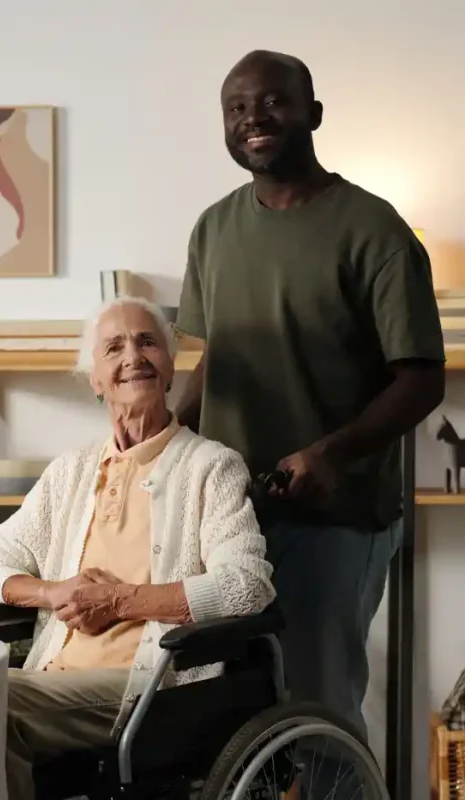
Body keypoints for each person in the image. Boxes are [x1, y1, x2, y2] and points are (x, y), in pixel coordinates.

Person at [175, 49, 446, 791]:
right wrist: (164, 444)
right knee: (229, 715)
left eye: (272, 103)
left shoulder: (374, 228)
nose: (253, 119)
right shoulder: (213, 229)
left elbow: (422, 379)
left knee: (318, 715)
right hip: (229, 517)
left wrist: (332, 452)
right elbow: (213, 360)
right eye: (236, 107)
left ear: (314, 115)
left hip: (338, 518)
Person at [0, 296, 276, 800]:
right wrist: (54, 594)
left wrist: (118, 601)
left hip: (150, 686)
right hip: (52, 679)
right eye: (113, 347)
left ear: (170, 367)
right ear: (94, 379)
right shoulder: (71, 471)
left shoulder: (210, 467)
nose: (132, 356)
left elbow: (246, 587)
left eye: (147, 342)